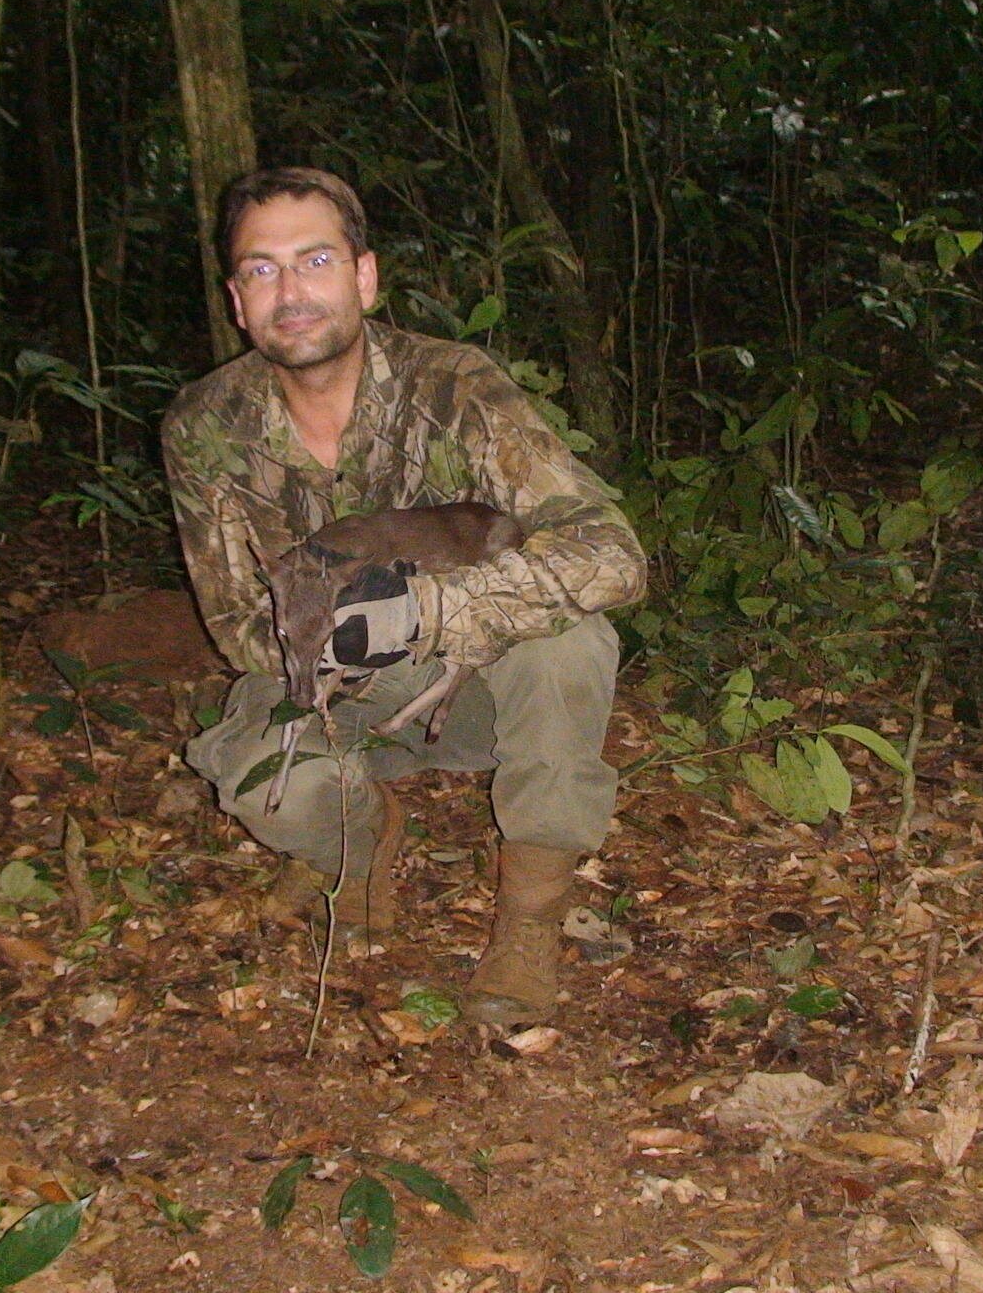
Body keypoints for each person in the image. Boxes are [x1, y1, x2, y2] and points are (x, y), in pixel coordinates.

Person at [160, 167, 646, 1025]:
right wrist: (336, 650)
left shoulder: (454, 386)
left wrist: (434, 613)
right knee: (255, 779)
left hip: (477, 689)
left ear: (364, 276)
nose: (291, 291)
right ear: (237, 301)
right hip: (341, 688)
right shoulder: (206, 424)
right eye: (261, 270)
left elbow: (612, 555)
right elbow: (235, 621)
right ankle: (362, 834)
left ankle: (528, 922)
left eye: (314, 260)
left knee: (573, 643)